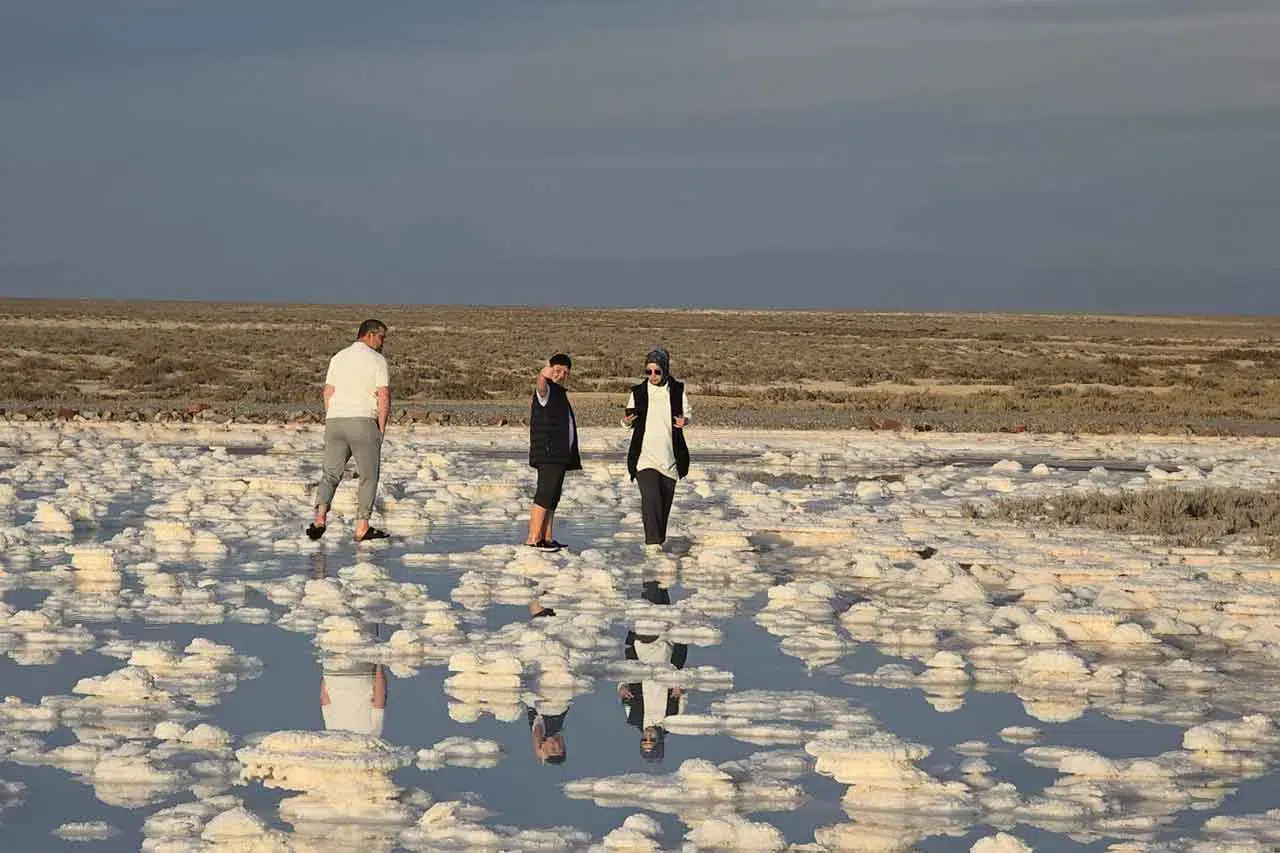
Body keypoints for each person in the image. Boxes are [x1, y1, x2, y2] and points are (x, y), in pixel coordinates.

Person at [308, 319, 390, 542]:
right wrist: (381, 428)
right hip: (363, 421)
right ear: (369, 335)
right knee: (368, 475)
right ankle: (362, 526)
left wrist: (332, 417)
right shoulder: (377, 360)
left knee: (330, 473)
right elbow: (383, 396)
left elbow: (328, 392)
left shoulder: (338, 357)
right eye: (381, 337)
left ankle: (319, 518)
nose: (383, 342)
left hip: (335, 421)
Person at [622, 348, 691, 553]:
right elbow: (628, 421)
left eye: (657, 371)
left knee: (663, 505)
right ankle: (652, 544)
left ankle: (658, 541)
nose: (652, 376)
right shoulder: (638, 392)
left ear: (665, 370)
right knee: (651, 498)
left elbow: (687, 414)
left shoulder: (677, 390)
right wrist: (626, 422)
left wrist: (685, 421)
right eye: (648, 371)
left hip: (670, 457)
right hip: (645, 457)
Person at [617, 581, 688, 762]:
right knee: (662, 599)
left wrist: (622, 687)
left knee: (650, 600)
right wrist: (679, 687)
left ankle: (652, 571)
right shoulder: (673, 719)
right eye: (652, 740)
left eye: (644, 740)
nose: (648, 736)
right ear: (660, 741)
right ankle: (658, 572)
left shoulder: (633, 718)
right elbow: (683, 690)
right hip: (667, 650)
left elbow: (624, 687)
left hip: (642, 649)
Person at [525, 353, 580, 551]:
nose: (561, 375)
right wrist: (543, 375)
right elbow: (541, 388)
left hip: (559, 455)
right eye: (557, 371)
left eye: (565, 372)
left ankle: (546, 537)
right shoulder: (547, 390)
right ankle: (533, 538)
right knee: (545, 494)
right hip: (548, 453)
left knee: (553, 497)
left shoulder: (559, 393)